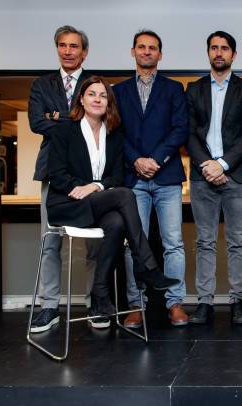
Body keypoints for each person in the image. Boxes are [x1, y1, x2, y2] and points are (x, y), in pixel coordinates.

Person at [45, 75, 180, 328]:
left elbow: (116, 175)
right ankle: (146, 265)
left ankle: (100, 292)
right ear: (82, 100)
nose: (97, 99)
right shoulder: (64, 129)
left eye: (103, 95)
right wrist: (81, 187)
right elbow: (56, 173)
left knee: (117, 222)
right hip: (68, 203)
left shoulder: (113, 134)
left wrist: (94, 186)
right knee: (126, 194)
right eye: (92, 94)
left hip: (96, 201)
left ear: (109, 103)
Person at [113, 30, 189, 328]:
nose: (147, 52)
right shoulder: (117, 91)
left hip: (167, 176)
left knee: (173, 243)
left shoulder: (174, 89)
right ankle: (136, 305)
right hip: (133, 179)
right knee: (135, 243)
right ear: (133, 52)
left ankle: (175, 304)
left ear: (160, 54)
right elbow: (115, 131)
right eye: (142, 47)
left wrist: (156, 159)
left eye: (153, 48)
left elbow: (180, 129)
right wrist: (136, 160)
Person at [186, 31, 242, 325]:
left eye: (224, 48)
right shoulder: (193, 89)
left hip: (237, 176)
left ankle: (237, 301)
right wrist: (207, 164)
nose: (219, 53)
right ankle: (204, 303)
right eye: (214, 48)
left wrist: (224, 164)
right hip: (203, 176)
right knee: (204, 241)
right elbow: (188, 132)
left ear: (233, 54)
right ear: (208, 53)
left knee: (237, 241)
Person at [28, 25, 95, 333]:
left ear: (84, 52)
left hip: (89, 173)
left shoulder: (94, 84)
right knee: (49, 240)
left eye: (74, 46)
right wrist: (73, 120)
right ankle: (49, 306)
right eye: (63, 45)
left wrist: (58, 116)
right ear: (57, 48)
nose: (68, 51)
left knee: (96, 241)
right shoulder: (42, 84)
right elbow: (36, 122)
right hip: (51, 171)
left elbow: (100, 121)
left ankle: (97, 301)